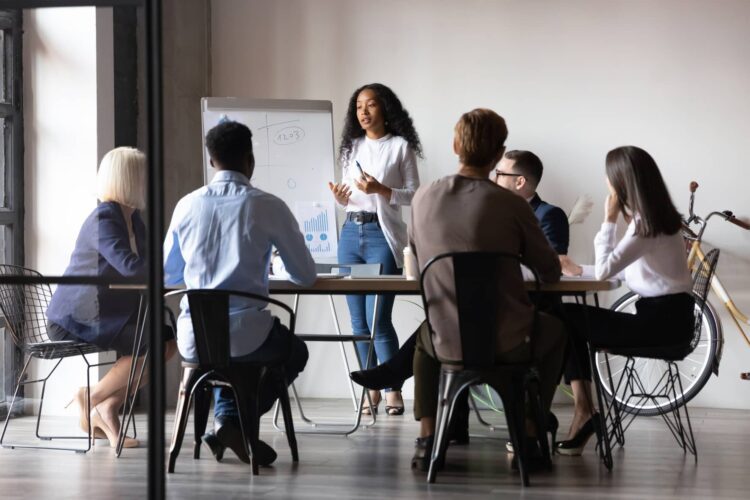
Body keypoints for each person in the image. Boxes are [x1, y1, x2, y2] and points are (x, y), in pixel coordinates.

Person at [350, 148, 571, 442]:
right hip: (496, 324)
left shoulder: (537, 213)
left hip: (504, 319)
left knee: (435, 329)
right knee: (451, 319)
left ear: (519, 182)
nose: (495, 178)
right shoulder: (496, 208)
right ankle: (523, 430)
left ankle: (428, 433)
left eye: (501, 174)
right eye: (496, 171)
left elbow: (550, 267)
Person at [407, 109, 567, 470]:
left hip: (448, 340)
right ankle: (528, 434)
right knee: (557, 330)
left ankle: (427, 437)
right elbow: (550, 270)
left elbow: (417, 260)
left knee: (424, 338)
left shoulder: (423, 198)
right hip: (509, 341)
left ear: (454, 145)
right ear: (498, 154)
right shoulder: (511, 204)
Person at [164, 121, 316, 466]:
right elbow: (305, 275)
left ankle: (227, 421)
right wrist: (274, 266)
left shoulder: (187, 205)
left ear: (211, 160)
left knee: (220, 359)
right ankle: (232, 420)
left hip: (195, 339)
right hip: (249, 338)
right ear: (250, 161)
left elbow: (168, 273)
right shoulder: (268, 205)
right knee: (295, 352)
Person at [555, 146, 694, 455]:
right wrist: (579, 270)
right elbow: (621, 274)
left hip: (660, 326)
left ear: (620, 182)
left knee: (563, 317)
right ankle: (584, 411)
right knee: (567, 317)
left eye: (608, 175)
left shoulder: (645, 224)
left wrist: (608, 219)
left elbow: (607, 271)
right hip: (667, 321)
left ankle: (584, 411)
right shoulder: (654, 220)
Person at [47, 147, 177, 448]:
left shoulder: (134, 220)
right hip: (76, 317)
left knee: (168, 342)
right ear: (129, 179)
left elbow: (146, 266)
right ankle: (89, 398)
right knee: (152, 343)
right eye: (144, 176)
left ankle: (107, 406)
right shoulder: (104, 219)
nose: (150, 181)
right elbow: (131, 268)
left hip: (108, 313)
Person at [327, 83, 422, 416]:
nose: (363, 112)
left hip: (382, 236)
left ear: (385, 109)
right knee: (357, 323)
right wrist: (339, 199)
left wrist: (381, 189)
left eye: (370, 106)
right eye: (358, 107)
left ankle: (392, 387)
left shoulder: (399, 147)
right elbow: (348, 197)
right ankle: (372, 388)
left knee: (378, 319)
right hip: (351, 234)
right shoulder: (350, 148)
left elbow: (414, 194)